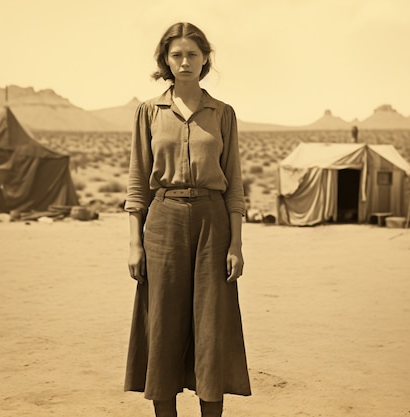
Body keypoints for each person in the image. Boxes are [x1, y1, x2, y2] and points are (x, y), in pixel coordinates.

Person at [124, 22, 251, 417]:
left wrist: (236, 244)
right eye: (176, 55)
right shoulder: (148, 112)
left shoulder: (223, 113)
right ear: (165, 60)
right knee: (162, 323)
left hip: (214, 223)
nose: (184, 62)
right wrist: (135, 243)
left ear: (205, 59)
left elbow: (234, 186)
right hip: (163, 222)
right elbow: (137, 183)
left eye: (192, 55)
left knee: (212, 323)